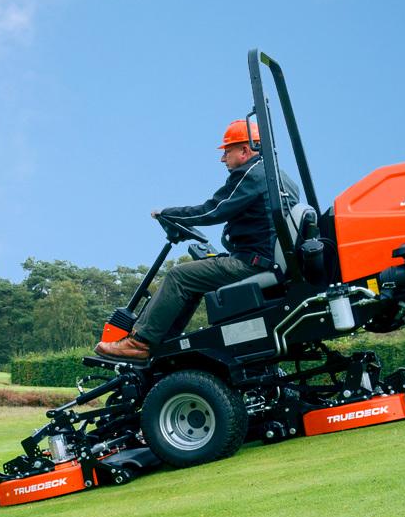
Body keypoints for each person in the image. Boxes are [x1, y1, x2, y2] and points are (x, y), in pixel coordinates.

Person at [95, 119, 300, 362]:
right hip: (265, 258)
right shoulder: (280, 177)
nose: (223, 159)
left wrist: (168, 213)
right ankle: (163, 343)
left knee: (179, 276)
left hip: (251, 263)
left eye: (227, 151)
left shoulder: (250, 174)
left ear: (245, 150)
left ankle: (141, 342)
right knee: (194, 279)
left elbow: (212, 210)